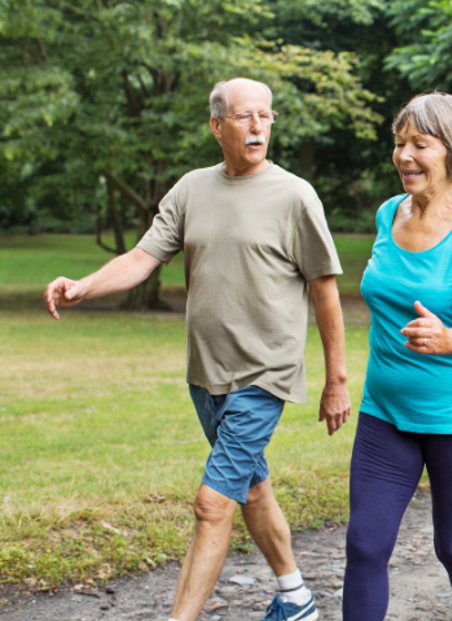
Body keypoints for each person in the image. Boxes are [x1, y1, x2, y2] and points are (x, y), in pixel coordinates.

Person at [43, 78, 349, 621]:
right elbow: (142, 257)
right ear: (217, 126)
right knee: (251, 489)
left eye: (266, 116)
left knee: (212, 504)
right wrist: (83, 286)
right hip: (206, 373)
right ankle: (297, 598)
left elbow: (324, 289)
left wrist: (336, 380)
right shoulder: (191, 189)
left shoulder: (295, 195)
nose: (258, 126)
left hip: (264, 375)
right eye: (244, 117)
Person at [343, 93, 452, 621]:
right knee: (365, 546)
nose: (404, 156)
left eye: (420, 144)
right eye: (399, 144)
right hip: (384, 412)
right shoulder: (387, 214)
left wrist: (448, 339)